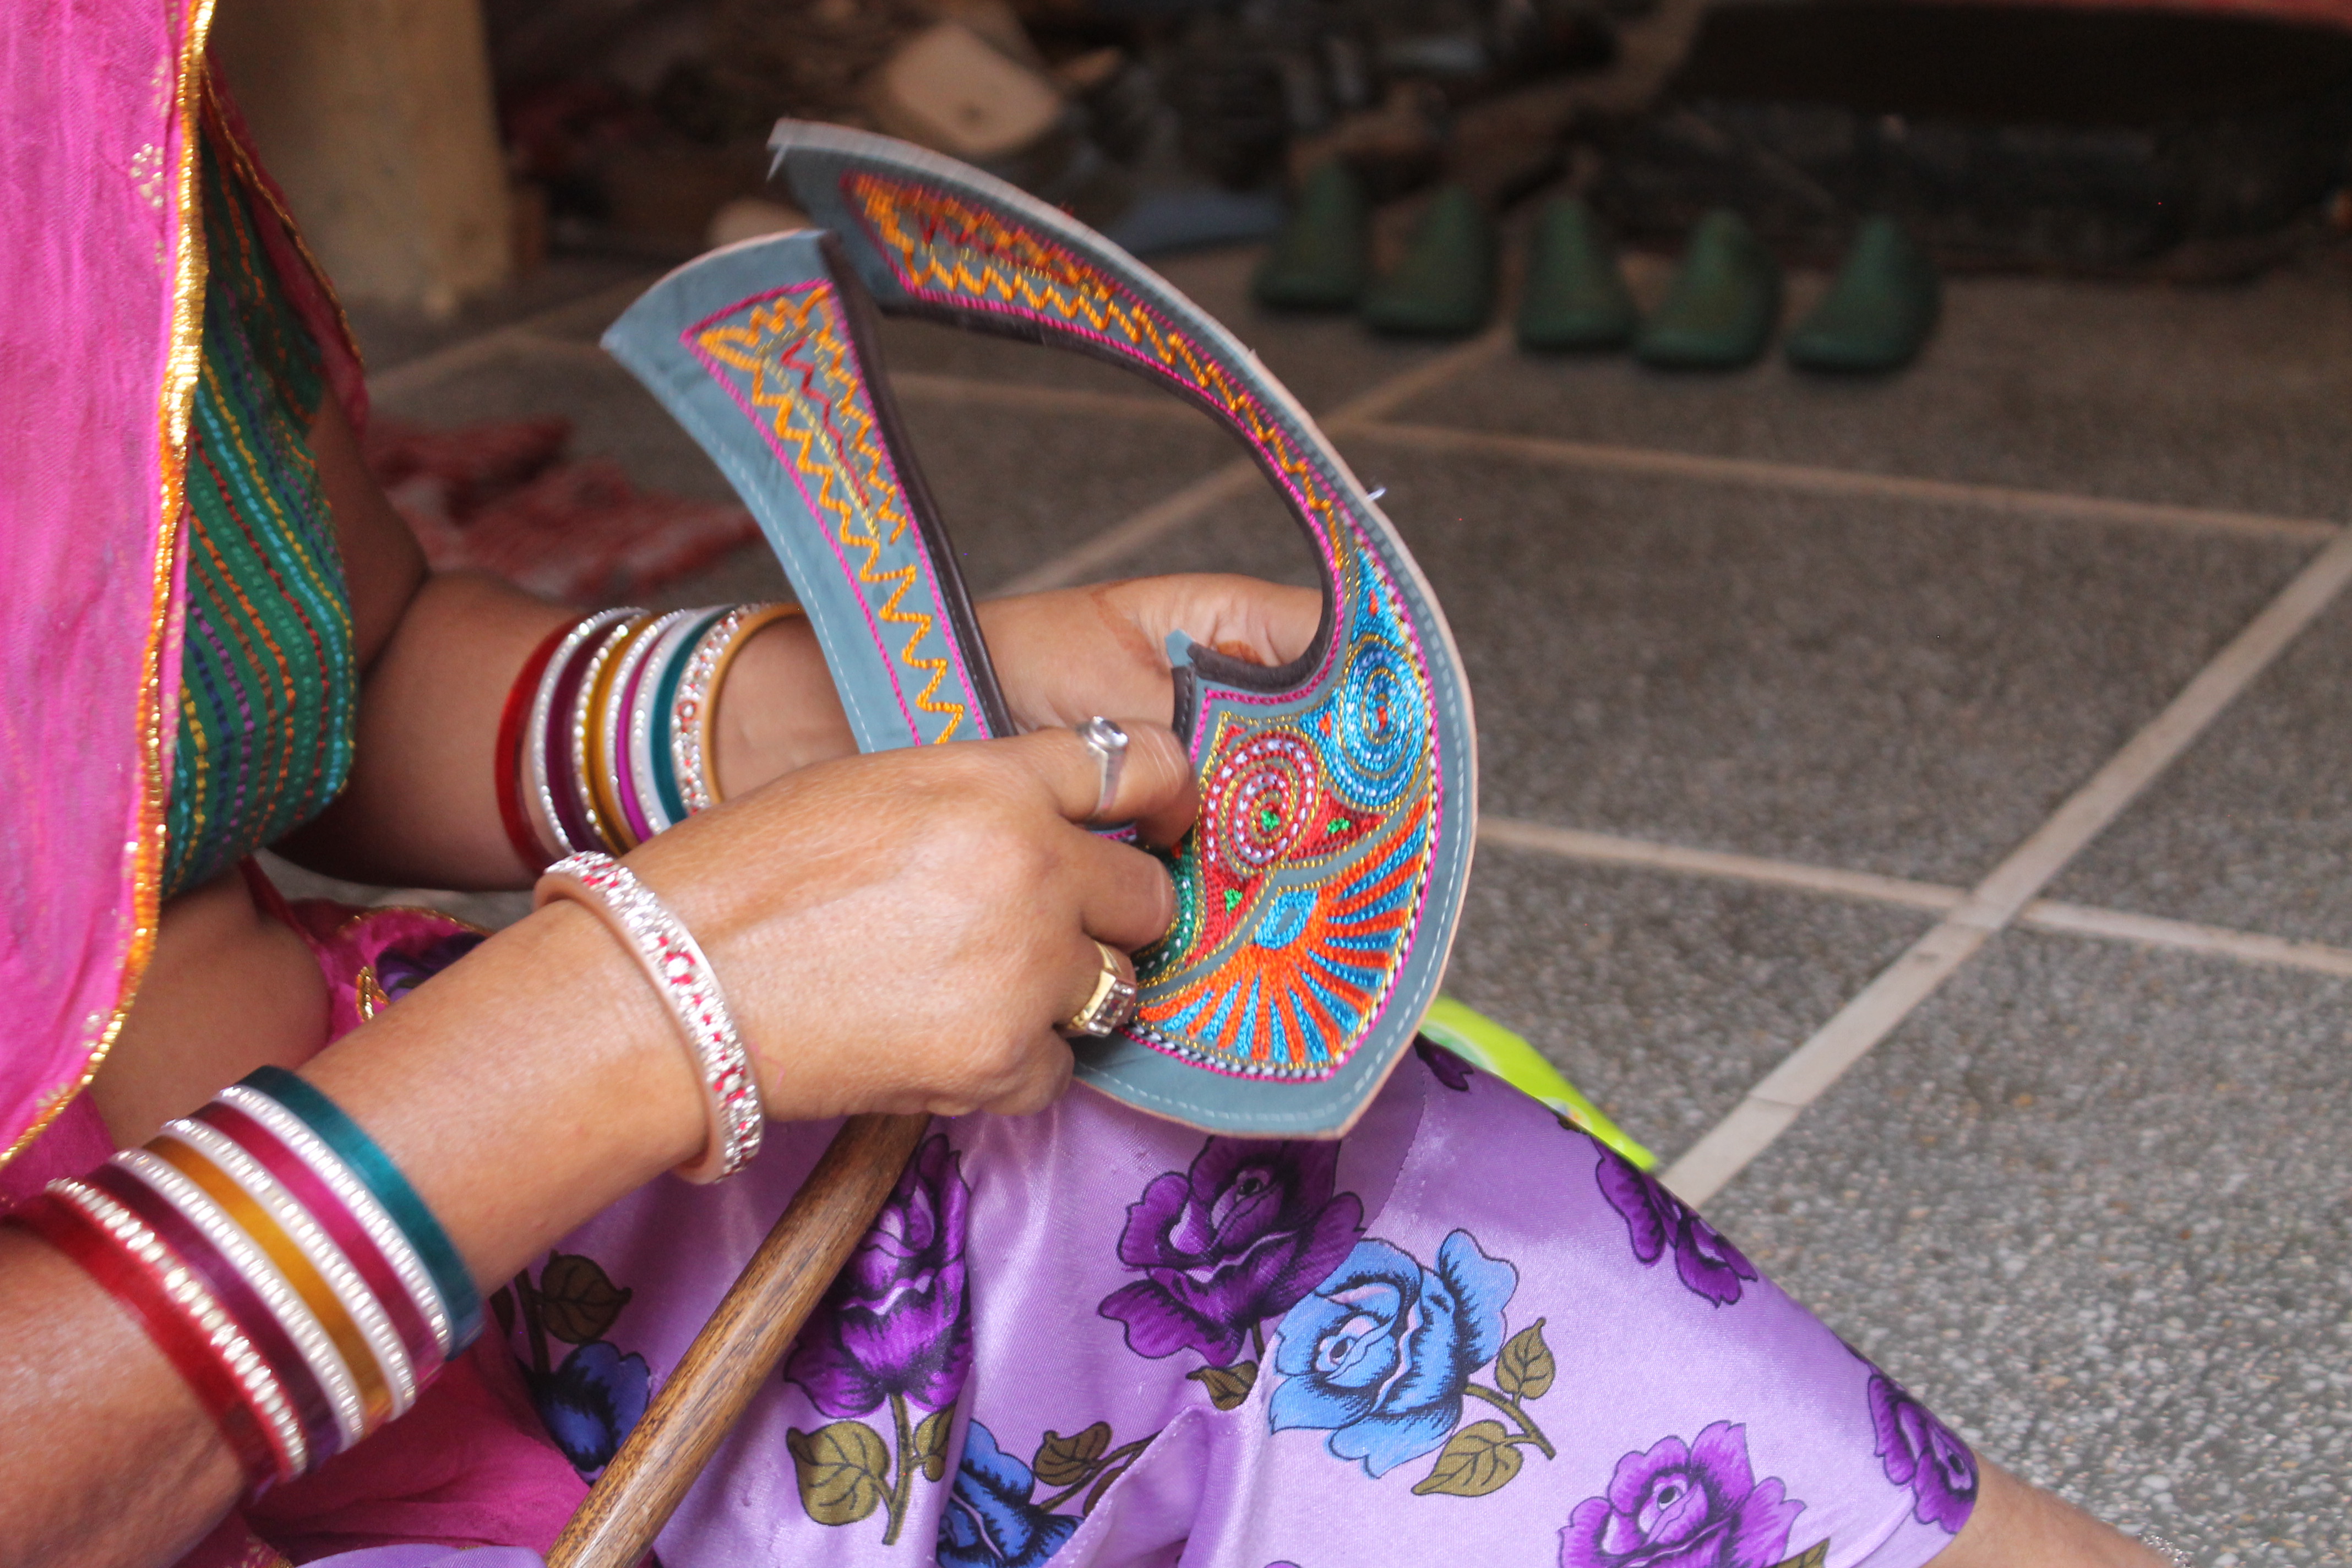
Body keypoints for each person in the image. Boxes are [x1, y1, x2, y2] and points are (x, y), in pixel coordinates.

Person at [0, 12, 2175, 1568]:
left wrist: (815, 726)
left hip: (472, 1200)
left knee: (1194, 1153)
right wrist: (661, 1008)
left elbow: (320, 672)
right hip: (172, 1408)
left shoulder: (79, 88)